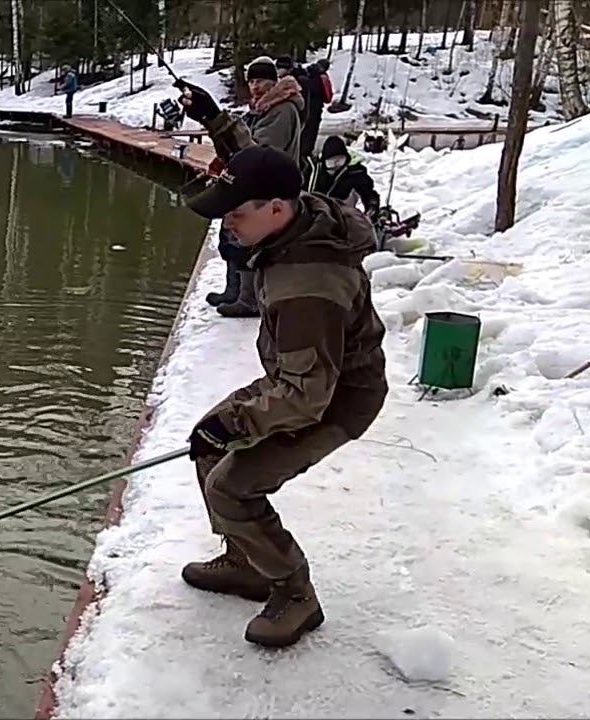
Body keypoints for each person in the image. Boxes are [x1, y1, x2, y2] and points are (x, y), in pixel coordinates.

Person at [173, 80, 389, 648]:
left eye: (234, 215)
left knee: (232, 485)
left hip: (337, 396)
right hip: (304, 375)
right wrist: (216, 119)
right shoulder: (294, 208)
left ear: (274, 210)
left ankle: (295, 592)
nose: (226, 225)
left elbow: (307, 395)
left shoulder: (307, 287)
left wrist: (237, 422)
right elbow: (259, 162)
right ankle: (247, 559)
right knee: (209, 441)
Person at [204, 56, 304, 319]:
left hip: (268, 185)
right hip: (254, 182)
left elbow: (261, 150)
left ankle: (248, 298)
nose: (256, 86)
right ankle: (233, 290)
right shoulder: (262, 108)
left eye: (261, 81)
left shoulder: (282, 110)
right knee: (231, 234)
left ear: (274, 83)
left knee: (249, 238)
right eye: (251, 81)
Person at [304, 135, 382, 219]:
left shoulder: (354, 172)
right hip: (315, 214)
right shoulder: (313, 171)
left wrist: (372, 205)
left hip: (344, 216)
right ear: (324, 161)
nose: (336, 165)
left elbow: (368, 192)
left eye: (340, 160)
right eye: (332, 161)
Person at [276, 55, 326, 159]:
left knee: (303, 142)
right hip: (311, 113)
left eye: (281, 68)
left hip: (308, 115)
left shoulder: (300, 81)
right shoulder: (300, 78)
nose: (279, 71)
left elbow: (304, 105)